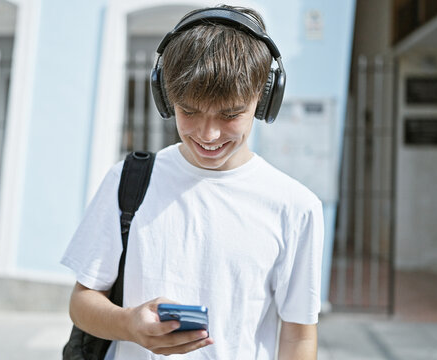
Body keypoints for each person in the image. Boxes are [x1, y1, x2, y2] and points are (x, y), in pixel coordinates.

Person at [61, 5, 324, 359]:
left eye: (230, 114)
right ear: (165, 98)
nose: (208, 134)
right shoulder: (129, 181)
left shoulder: (296, 207)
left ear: (264, 99)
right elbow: (81, 303)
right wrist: (129, 325)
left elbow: (298, 336)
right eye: (189, 111)